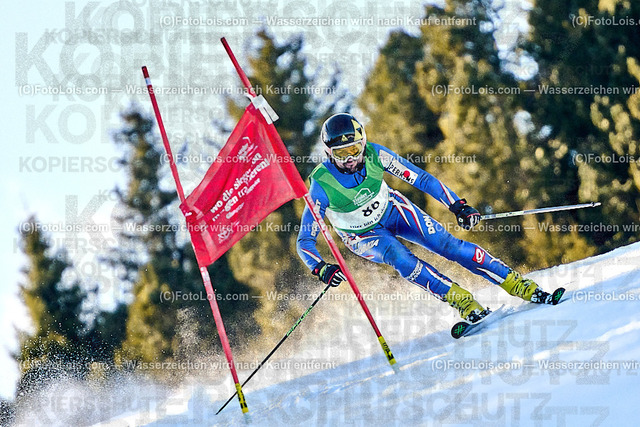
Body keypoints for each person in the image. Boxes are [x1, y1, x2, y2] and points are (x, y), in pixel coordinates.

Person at [296, 113, 561, 324]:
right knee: (400, 258)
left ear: (363, 143)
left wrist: (456, 205)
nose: (351, 159)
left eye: (354, 149)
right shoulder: (322, 183)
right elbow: (305, 240)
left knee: (449, 246)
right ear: (329, 153)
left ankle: (518, 284)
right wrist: (320, 267)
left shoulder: (377, 155)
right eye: (341, 154)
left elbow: (420, 178)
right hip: (362, 235)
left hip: (393, 210)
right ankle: (463, 301)